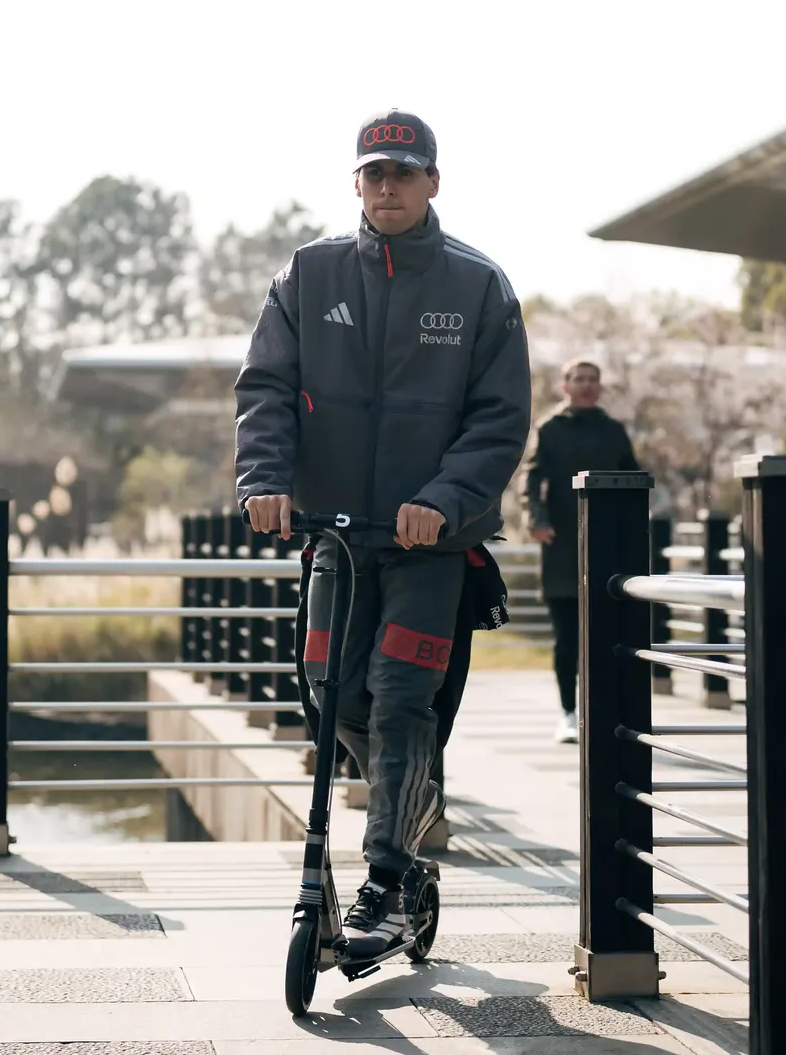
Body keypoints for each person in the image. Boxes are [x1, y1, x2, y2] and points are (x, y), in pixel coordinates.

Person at [236, 109, 530, 961]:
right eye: (375, 173)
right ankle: (413, 801)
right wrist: (265, 481)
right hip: (335, 538)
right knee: (333, 692)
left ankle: (389, 881)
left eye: (405, 172)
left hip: (431, 546)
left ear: (433, 182)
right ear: (356, 184)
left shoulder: (479, 286)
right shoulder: (308, 273)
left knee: (402, 698)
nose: (389, 186)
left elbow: (499, 416)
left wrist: (444, 496)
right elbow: (265, 389)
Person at [525, 356, 639, 740]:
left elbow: (635, 479)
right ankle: (569, 713)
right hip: (561, 546)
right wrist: (536, 519)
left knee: (609, 632)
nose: (586, 384)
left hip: (609, 546)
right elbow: (532, 478)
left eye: (593, 378)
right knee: (566, 636)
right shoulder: (550, 429)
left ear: (600, 385)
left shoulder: (614, 432)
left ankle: (606, 711)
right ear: (565, 386)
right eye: (578, 378)